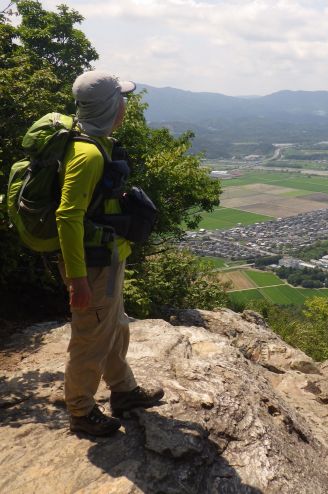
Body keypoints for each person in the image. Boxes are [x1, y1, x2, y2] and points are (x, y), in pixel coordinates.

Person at [57, 70, 163, 436]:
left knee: (115, 327)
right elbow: (67, 216)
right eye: (121, 99)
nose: (124, 105)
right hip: (92, 264)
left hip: (106, 256)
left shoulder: (89, 139)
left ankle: (124, 391)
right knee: (90, 338)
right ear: (109, 106)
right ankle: (81, 411)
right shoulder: (87, 154)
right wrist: (77, 279)